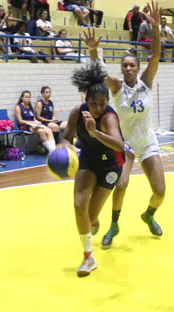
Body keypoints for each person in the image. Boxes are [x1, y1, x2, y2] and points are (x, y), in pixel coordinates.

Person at [83, 2, 165, 249]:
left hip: (147, 141)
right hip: (126, 143)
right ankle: (114, 225)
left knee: (160, 192)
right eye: (125, 66)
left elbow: (156, 55)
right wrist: (94, 52)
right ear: (122, 69)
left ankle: (149, 214)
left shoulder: (146, 82)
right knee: (120, 184)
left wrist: (157, 28)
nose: (128, 68)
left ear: (138, 68)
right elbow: (99, 73)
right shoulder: (118, 88)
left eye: (132, 65)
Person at [59, 62, 126, 277]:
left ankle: (94, 220)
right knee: (79, 205)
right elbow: (67, 136)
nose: (97, 108)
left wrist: (94, 132)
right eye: (93, 103)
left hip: (110, 165)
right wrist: (64, 146)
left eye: (102, 103)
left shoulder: (108, 117)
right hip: (88, 160)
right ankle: (88, 257)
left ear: (107, 102)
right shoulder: (77, 113)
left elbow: (119, 145)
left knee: (90, 217)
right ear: (86, 100)